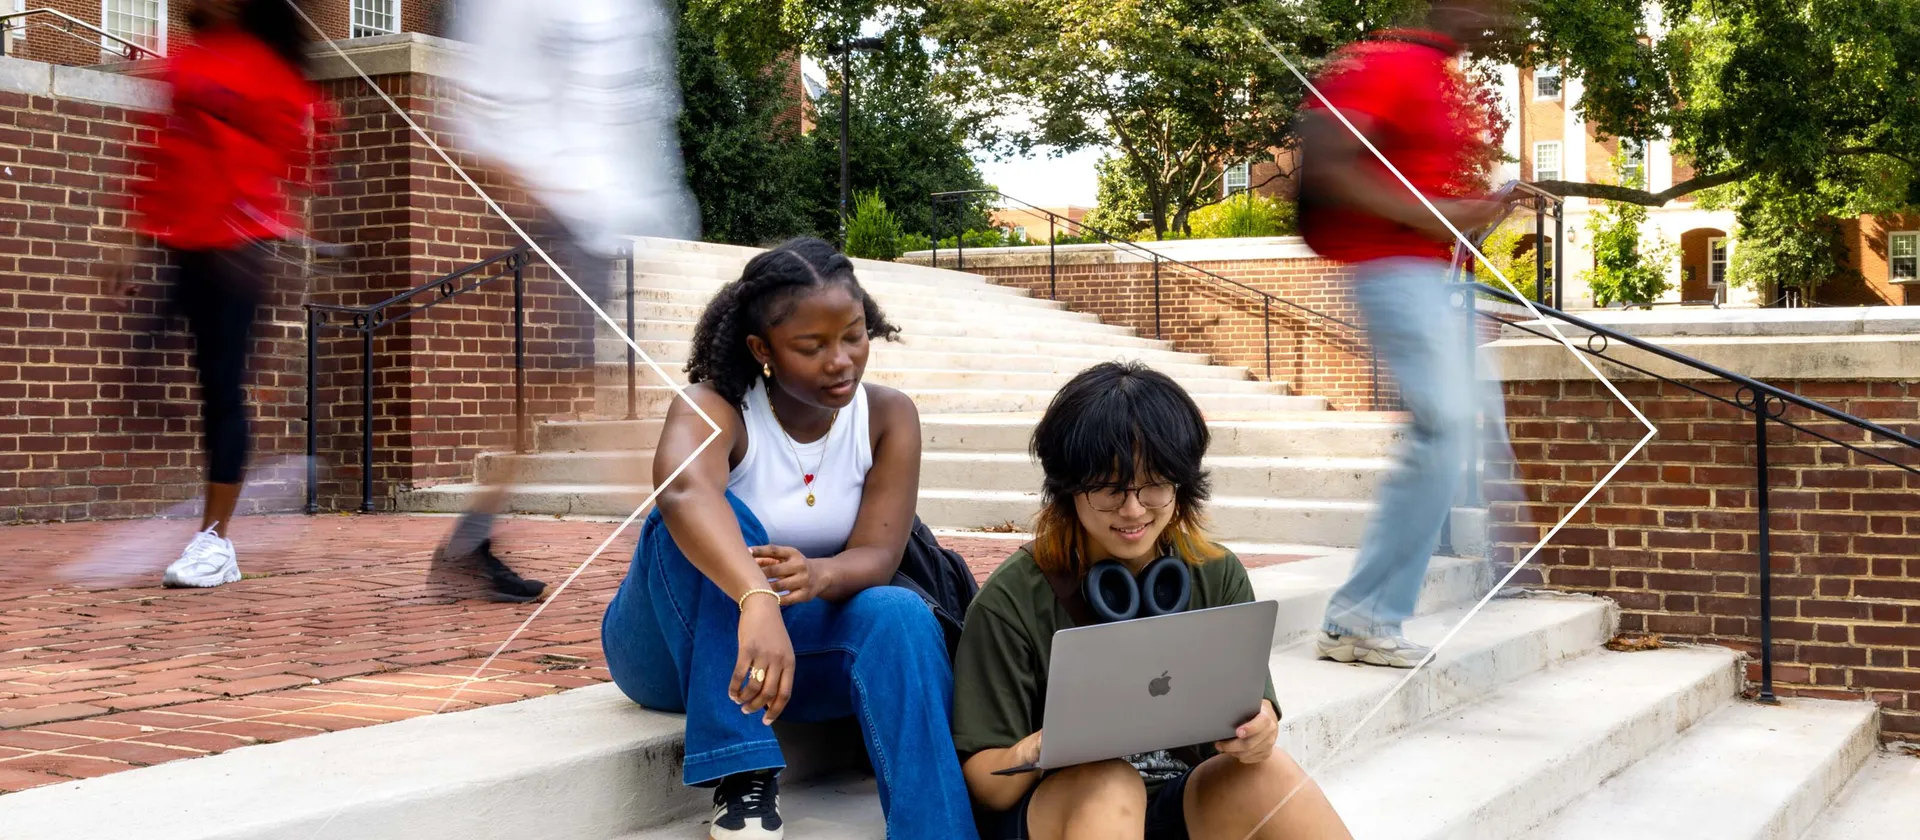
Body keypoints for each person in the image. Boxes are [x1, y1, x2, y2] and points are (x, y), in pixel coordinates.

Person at [600, 239, 976, 839]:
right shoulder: (716, 406)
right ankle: (742, 774)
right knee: (713, 515)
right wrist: (756, 597)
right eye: (812, 346)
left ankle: (936, 829)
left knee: (900, 612)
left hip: (789, 652)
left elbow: (878, 555)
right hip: (667, 649)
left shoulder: (888, 417)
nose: (841, 361)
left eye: (854, 335)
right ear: (762, 349)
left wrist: (820, 575)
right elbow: (683, 494)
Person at [951, 362, 1353, 840]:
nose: (1134, 510)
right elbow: (984, 785)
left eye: (1155, 485)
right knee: (1110, 781)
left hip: (1176, 803)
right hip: (1061, 811)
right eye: (1108, 490)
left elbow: (1255, 714)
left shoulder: (1216, 575)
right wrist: (1043, 748)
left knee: (1269, 774)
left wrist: (1260, 733)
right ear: (1067, 489)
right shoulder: (1012, 600)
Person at [432, 0, 701, 602]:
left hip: (608, 216)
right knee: (597, 392)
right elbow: (478, 100)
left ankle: (471, 538)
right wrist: (531, 192)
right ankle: (686, 563)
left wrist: (653, 208)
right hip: (563, 208)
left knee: (568, 389)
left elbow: (634, 109)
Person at [1295, 0, 1516, 668]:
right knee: (1447, 424)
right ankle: (1360, 617)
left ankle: (1378, 610)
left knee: (1474, 424)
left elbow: (1419, 194)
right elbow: (1333, 169)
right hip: (1388, 271)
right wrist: (1442, 214)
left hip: (1431, 278)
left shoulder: (1447, 83)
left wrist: (1475, 213)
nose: (1501, 18)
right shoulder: (1386, 64)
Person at [117, 0, 331, 588]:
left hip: (238, 250)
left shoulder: (268, 68)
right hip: (179, 244)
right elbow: (158, 154)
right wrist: (135, 241)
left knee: (221, 390)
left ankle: (215, 542)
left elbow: (308, 146)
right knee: (136, 373)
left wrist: (265, 223)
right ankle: (215, 503)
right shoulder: (186, 58)